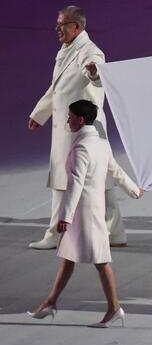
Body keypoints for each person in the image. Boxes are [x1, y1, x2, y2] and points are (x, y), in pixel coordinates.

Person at [27, 100, 143, 327]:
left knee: (100, 261)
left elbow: (75, 185)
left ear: (80, 120)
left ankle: (115, 308)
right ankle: (50, 301)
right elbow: (116, 170)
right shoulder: (101, 144)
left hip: (84, 214)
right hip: (91, 209)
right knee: (68, 257)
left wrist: (65, 217)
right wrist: (134, 191)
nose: (66, 120)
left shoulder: (81, 147)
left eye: (69, 116)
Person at [28, 5, 131, 249]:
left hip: (83, 127)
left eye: (62, 25)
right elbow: (57, 88)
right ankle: (114, 230)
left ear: (77, 26)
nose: (57, 29)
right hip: (70, 127)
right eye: (57, 24)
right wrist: (39, 114)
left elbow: (95, 71)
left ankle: (55, 234)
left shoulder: (90, 51)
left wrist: (95, 72)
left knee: (67, 178)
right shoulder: (66, 49)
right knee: (95, 179)